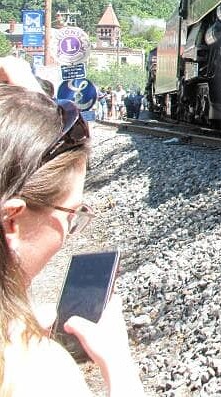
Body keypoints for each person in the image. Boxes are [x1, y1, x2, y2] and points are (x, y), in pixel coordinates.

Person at [0, 56, 144, 396]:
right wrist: (120, 369)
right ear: (11, 222)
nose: (68, 233)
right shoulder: (37, 372)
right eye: (70, 215)